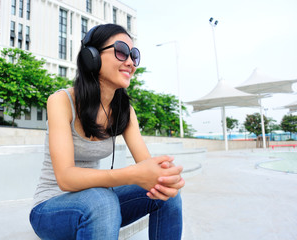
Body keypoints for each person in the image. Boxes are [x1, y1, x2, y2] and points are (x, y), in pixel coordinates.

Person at [29, 23, 185, 240]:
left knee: (165, 195)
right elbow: (65, 178)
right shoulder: (61, 101)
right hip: (51, 209)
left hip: (99, 204)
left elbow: (148, 167)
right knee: (102, 199)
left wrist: (164, 178)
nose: (130, 62)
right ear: (91, 56)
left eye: (134, 56)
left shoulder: (125, 111)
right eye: (121, 52)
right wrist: (130, 174)